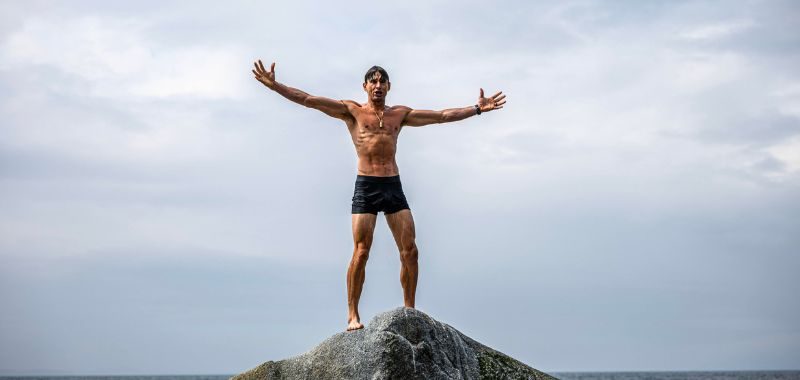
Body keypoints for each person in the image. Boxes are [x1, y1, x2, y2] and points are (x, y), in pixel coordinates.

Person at [252, 60, 506, 331]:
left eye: (381, 81)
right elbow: (308, 100)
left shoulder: (400, 114)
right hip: (366, 186)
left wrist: (477, 108)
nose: (377, 85)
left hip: (392, 185)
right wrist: (274, 85)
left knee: (410, 251)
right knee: (361, 252)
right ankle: (352, 315)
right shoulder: (351, 111)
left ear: (388, 86)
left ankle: (410, 311)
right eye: (372, 81)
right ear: (365, 86)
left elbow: (441, 115)